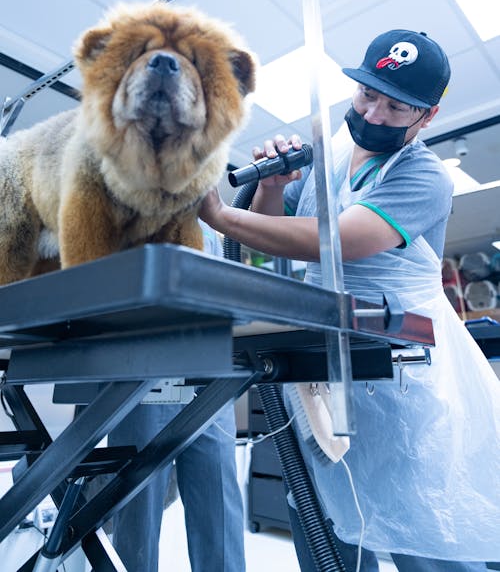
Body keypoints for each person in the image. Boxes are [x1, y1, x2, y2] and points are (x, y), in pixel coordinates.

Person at [200, 29, 500, 570]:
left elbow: (340, 243)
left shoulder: (425, 177)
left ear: (426, 117)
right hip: (322, 364)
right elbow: (276, 244)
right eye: (368, 95)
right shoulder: (328, 159)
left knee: (418, 528)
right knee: (325, 520)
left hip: (397, 373)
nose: (375, 113)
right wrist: (272, 186)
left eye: (395, 106)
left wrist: (221, 216)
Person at [108, 221, 246, 572]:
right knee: (137, 508)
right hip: (143, 368)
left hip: (210, 373)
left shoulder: (213, 228)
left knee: (219, 501)